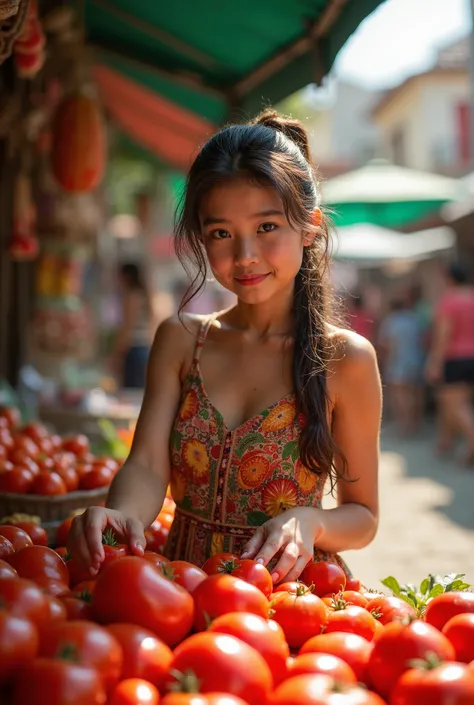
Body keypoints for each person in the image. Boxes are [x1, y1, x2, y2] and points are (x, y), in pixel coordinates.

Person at [69, 110, 382, 584]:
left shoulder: (347, 359)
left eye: (267, 227)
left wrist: (312, 520)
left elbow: (363, 516)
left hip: (288, 602)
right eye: (221, 233)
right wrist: (122, 514)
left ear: (310, 226)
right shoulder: (180, 340)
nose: (245, 255)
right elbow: (148, 465)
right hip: (175, 593)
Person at [426, 262, 474, 466]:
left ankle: (471, 442)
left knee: (455, 407)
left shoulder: (449, 301)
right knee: (458, 404)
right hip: (471, 358)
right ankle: (446, 443)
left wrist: (434, 362)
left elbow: (443, 335)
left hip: (455, 358)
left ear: (450, 279)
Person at [378, 297, 425, 435]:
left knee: (400, 395)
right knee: (415, 393)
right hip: (416, 360)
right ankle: (415, 424)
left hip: (398, 361)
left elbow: (388, 344)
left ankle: (404, 425)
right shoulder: (414, 319)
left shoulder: (390, 321)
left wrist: (387, 360)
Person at [111, 262, 155, 389]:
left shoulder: (131, 297)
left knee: (131, 390)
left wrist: (117, 353)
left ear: (126, 276)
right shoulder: (145, 295)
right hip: (145, 347)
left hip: (134, 349)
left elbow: (127, 326)